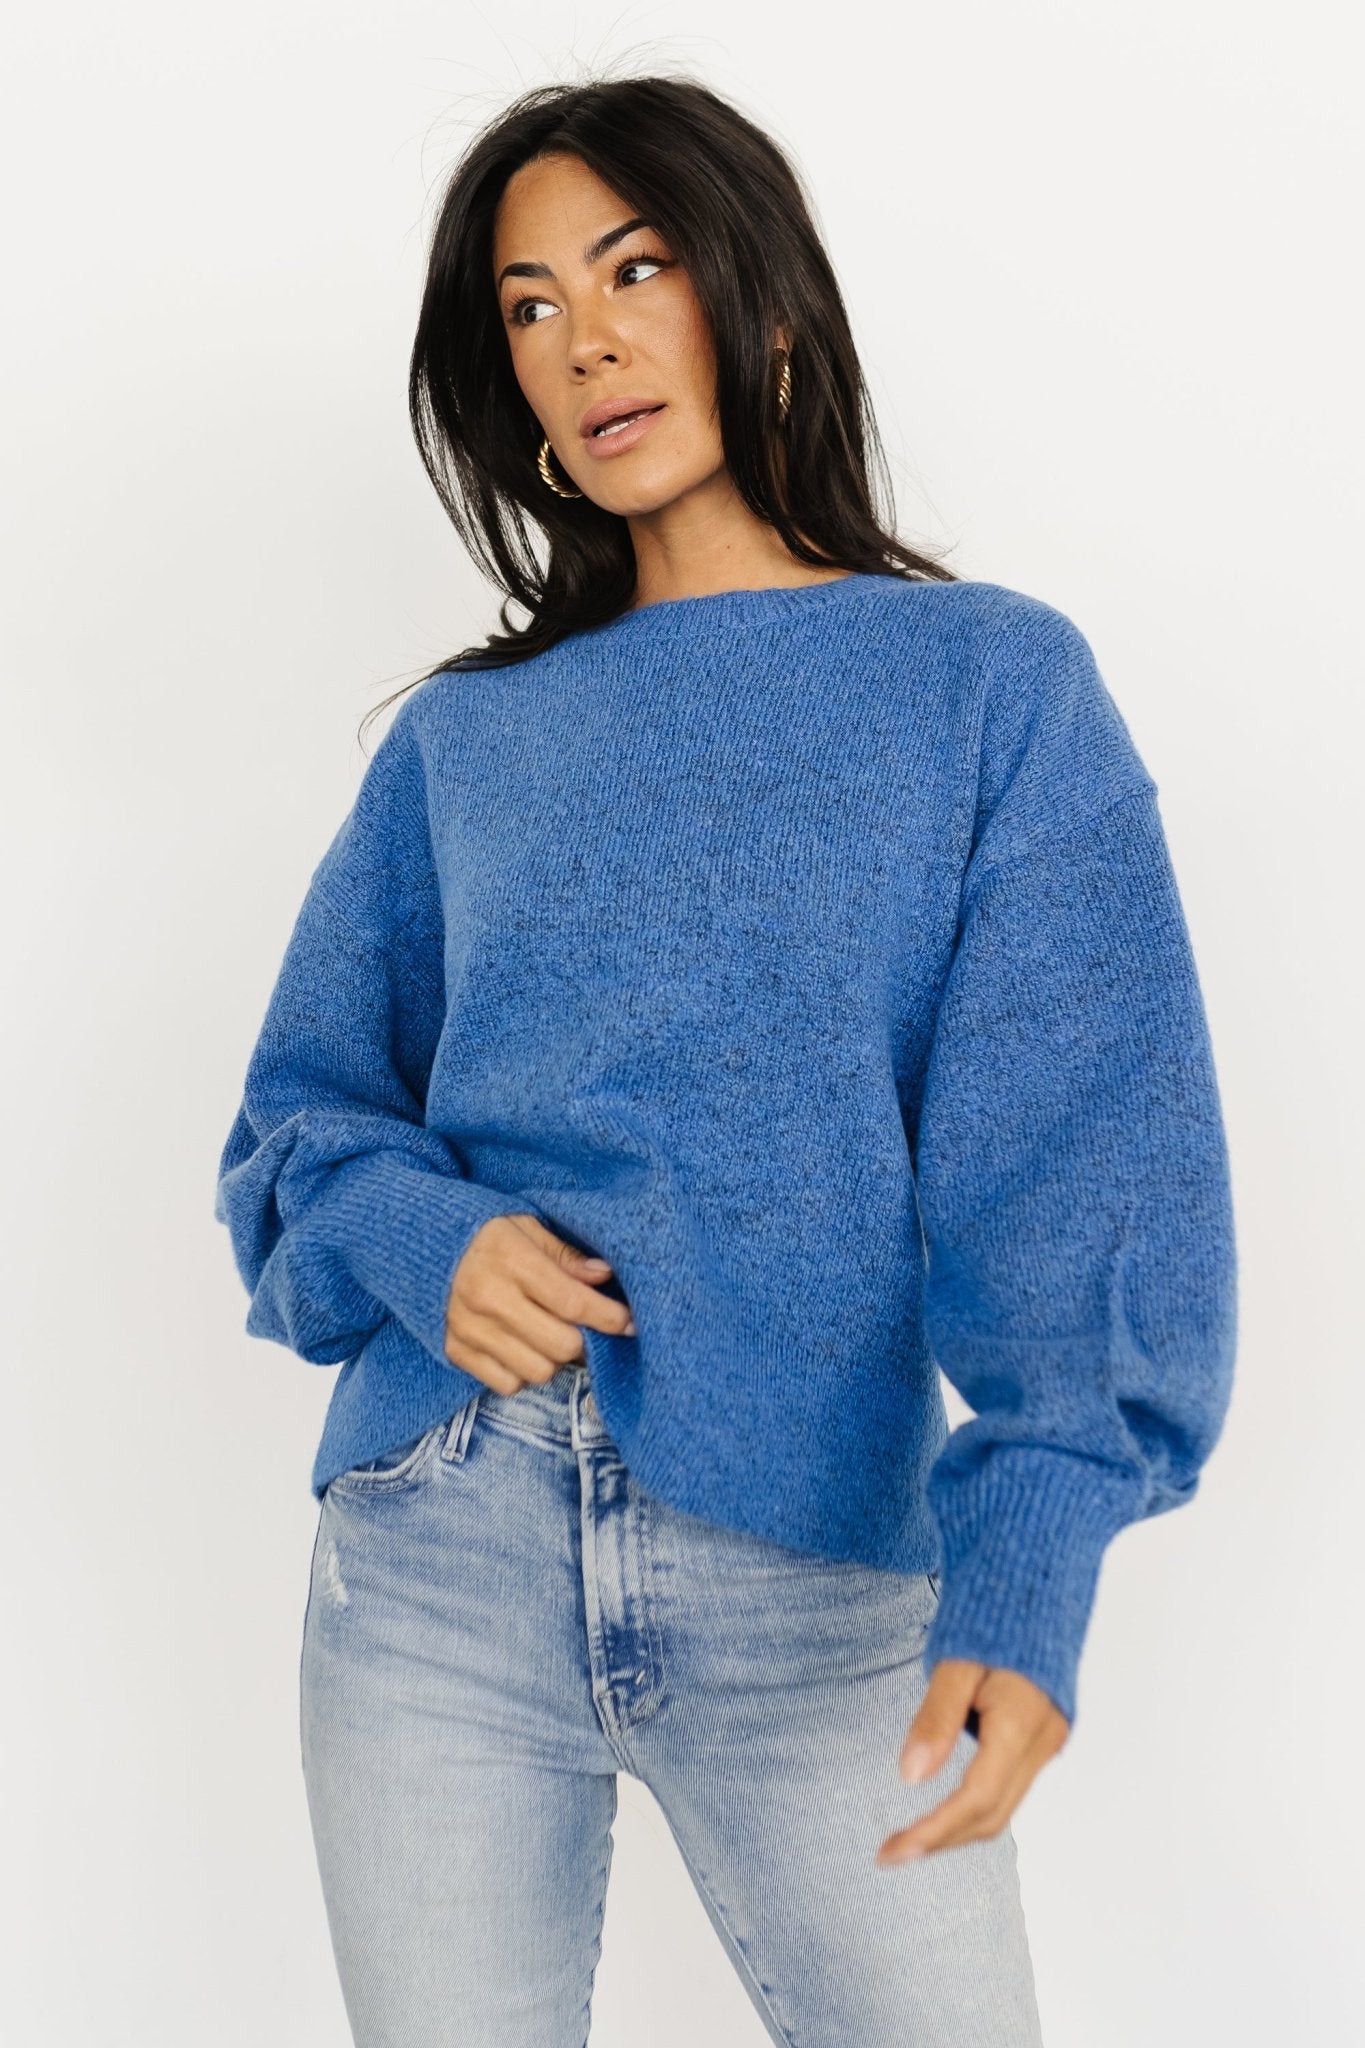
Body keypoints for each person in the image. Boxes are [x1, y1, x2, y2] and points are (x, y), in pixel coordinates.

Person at [213, 72, 1237, 2048]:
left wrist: (1028, 1565)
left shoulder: (986, 686)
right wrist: (424, 1238)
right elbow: (298, 1123)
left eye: (633, 268)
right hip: (439, 1540)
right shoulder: (462, 745)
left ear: (758, 298)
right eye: (527, 305)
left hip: (812, 1565)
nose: (582, 339)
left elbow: (1088, 1165)